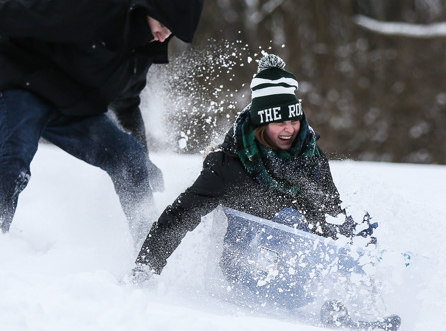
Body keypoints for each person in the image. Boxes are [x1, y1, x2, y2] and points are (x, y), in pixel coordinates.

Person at [0, 0, 204, 244]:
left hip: (72, 109)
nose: (164, 35)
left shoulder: (141, 54)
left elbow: (127, 105)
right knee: (16, 158)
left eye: (171, 31)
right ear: (144, 8)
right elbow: (11, 15)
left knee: (130, 159)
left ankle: (148, 252)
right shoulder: (91, 5)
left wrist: (144, 162)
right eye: (162, 25)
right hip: (22, 84)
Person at [128, 54, 365, 308]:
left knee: (360, 227)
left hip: (300, 265)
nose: (289, 130)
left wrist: (358, 255)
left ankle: (358, 302)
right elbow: (182, 214)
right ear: (261, 124)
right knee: (289, 218)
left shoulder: (310, 157)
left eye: (294, 120)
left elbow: (331, 212)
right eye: (279, 122)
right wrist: (146, 266)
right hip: (247, 269)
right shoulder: (230, 165)